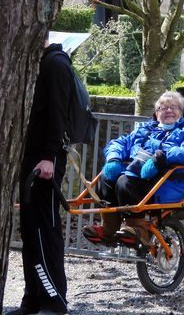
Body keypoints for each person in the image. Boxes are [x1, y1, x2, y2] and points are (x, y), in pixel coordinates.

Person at [81, 91, 184, 247]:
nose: (168, 110)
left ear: (181, 111)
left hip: (171, 179)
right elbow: (119, 143)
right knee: (105, 178)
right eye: (163, 108)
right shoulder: (146, 128)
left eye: (173, 107)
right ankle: (109, 230)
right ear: (156, 113)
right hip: (140, 173)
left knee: (125, 182)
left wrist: (161, 157)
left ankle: (140, 230)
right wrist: (114, 158)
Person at [11, 42, 74, 315]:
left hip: (45, 161)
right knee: (30, 229)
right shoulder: (41, 64)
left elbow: (59, 115)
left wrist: (49, 156)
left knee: (44, 228)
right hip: (33, 158)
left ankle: (54, 300)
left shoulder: (55, 64)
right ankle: (33, 298)